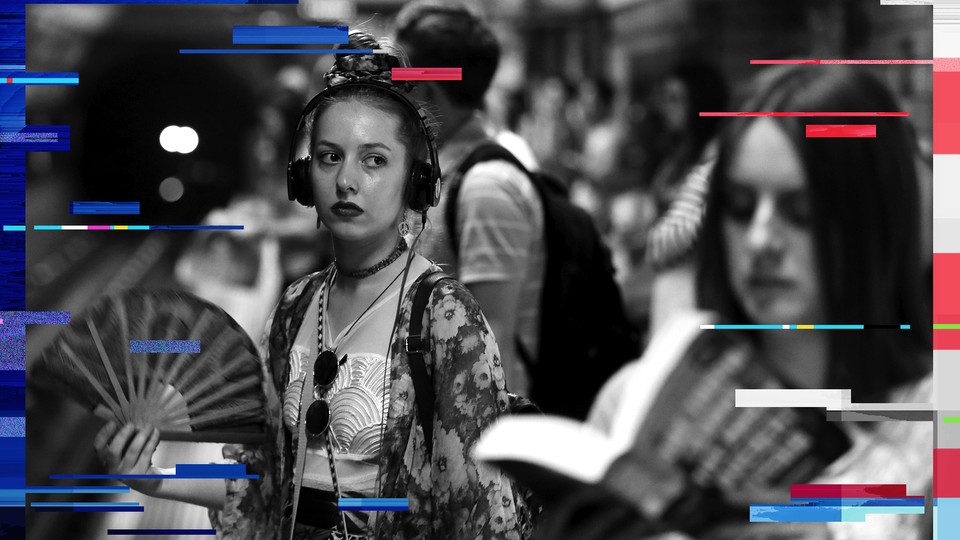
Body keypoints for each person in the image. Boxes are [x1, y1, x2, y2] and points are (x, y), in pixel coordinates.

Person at [94, 32, 531, 540]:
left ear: (416, 181)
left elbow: (485, 515)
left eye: (374, 160)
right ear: (304, 180)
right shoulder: (297, 306)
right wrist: (154, 480)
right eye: (329, 157)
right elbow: (263, 485)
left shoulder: (444, 316)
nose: (347, 180)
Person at [574, 65, 933, 539]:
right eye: (741, 208)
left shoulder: (933, 418)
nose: (762, 239)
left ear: (871, 221)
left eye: (801, 211)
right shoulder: (633, 400)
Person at [393, 1, 545, 397]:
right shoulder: (446, 171)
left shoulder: (485, 189)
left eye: (399, 80)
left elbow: (492, 345)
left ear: (425, 89)